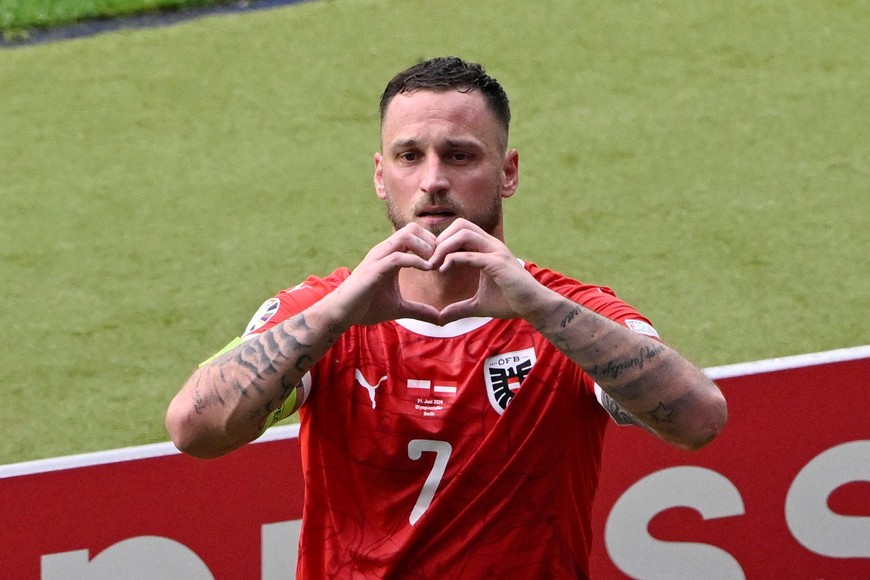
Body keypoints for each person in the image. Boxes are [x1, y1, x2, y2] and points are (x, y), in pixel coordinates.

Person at [166, 56, 727, 578]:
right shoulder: (323, 313)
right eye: (410, 156)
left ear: (508, 172)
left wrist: (542, 309)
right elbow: (194, 431)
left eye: (459, 155)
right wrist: (334, 316)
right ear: (381, 176)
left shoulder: (569, 314)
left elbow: (698, 421)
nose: (433, 179)